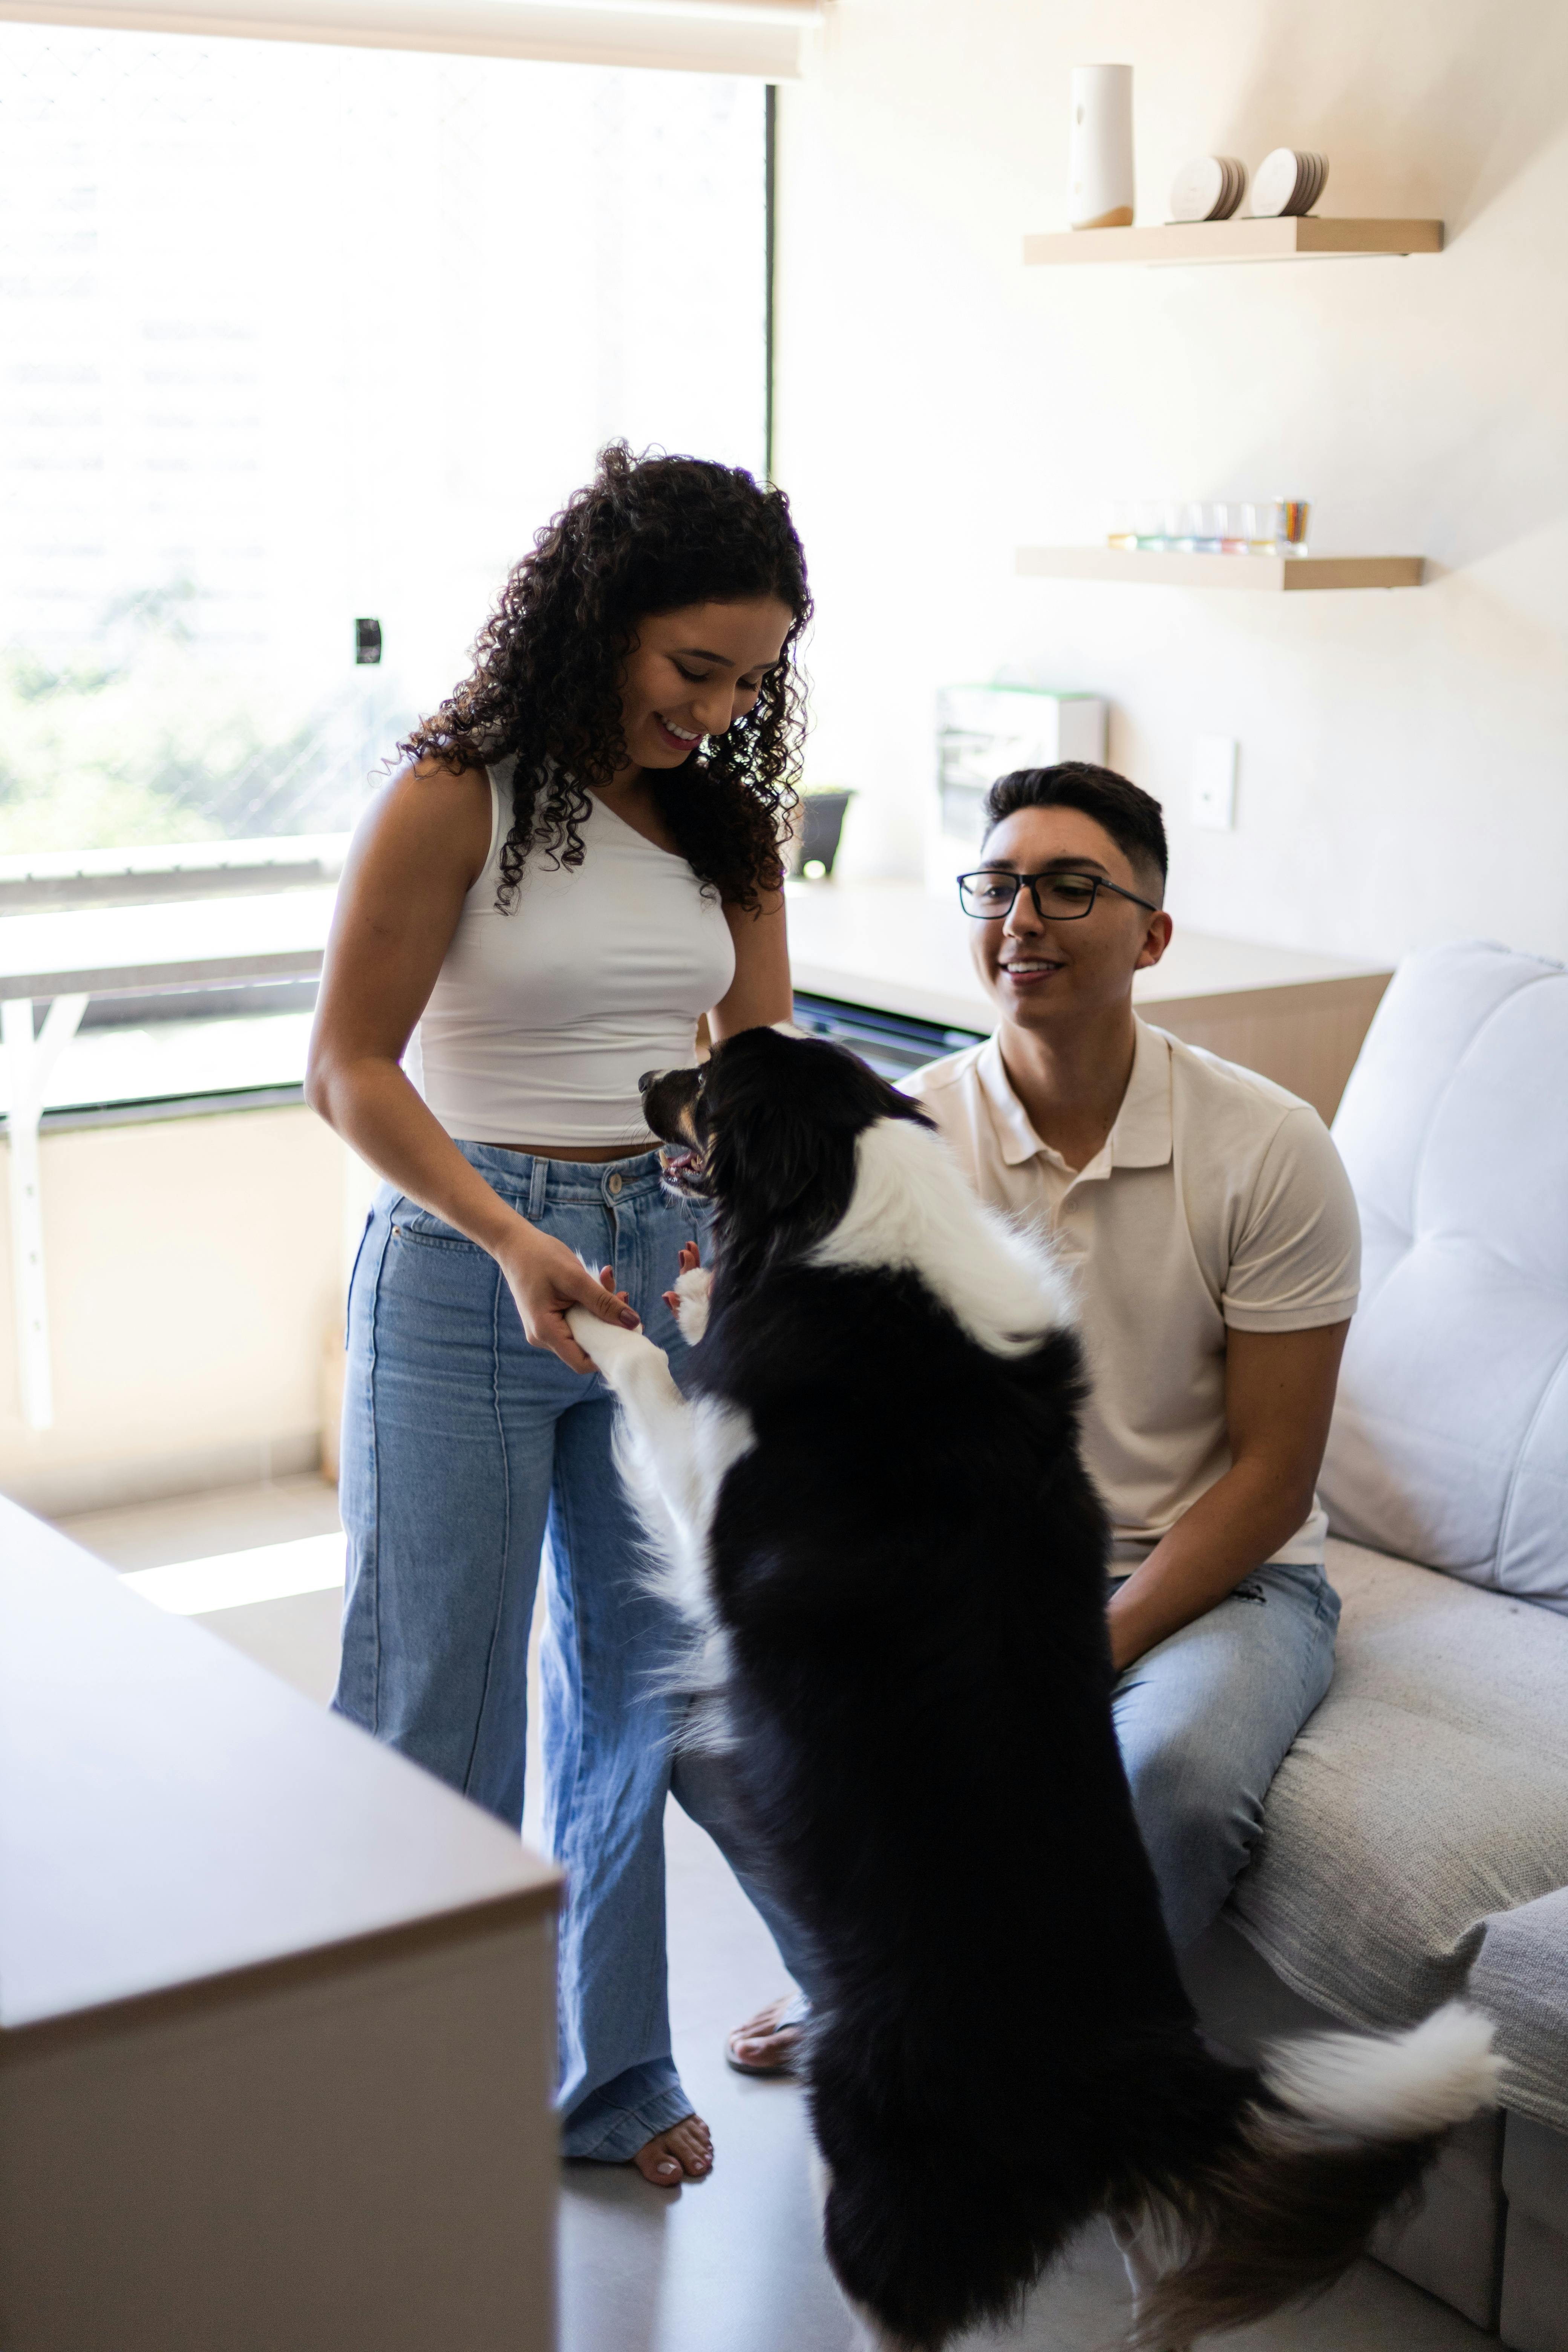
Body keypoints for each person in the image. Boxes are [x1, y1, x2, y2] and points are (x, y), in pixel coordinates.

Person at [306, 443, 809, 2184]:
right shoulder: (458, 792)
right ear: (601, 621)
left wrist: (744, 1241)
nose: (721, 706)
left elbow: (752, 1060)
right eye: (696, 668)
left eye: (753, 676)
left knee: (642, 1686)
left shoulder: (728, 824)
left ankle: (600, 2084)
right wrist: (510, 1236)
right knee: (430, 1702)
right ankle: (394, 2087)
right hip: (466, 1269)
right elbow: (348, 1070)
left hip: (661, 1275)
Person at [727, 758, 1359, 2076]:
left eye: (1074, 888)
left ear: (1154, 933)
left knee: (1164, 1788)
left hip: (1224, 1582)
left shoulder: (1269, 1147)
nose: (1025, 918)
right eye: (1000, 885)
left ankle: (977, 2055)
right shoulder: (902, 1144)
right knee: (722, 1729)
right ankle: (888, 1994)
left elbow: (1275, 1477)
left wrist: (1080, 1647)